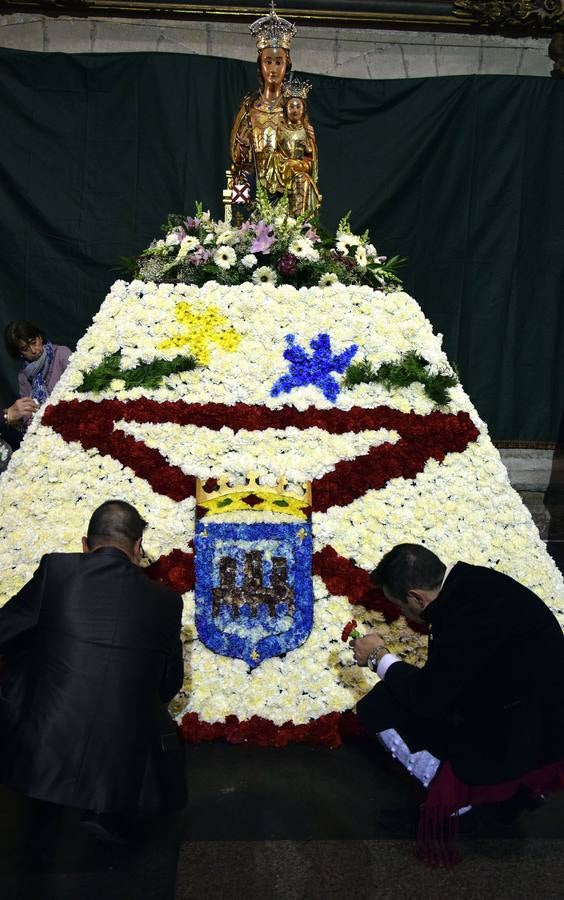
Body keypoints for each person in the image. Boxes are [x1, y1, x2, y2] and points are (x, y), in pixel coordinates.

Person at [0, 500, 186, 862]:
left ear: (85, 545)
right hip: (124, 748)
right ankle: (105, 807)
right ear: (137, 549)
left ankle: (43, 782)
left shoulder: (57, 570)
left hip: (48, 730)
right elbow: (169, 684)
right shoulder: (166, 600)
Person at [352, 543, 564, 859]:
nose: (404, 615)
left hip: (515, 736)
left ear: (415, 597)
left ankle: (464, 807)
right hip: (539, 719)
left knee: (379, 705)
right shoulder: (473, 584)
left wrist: (378, 658)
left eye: (400, 606)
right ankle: (511, 795)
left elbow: (428, 700)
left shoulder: (462, 617)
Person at [229, 5, 320, 216]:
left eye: (278, 62)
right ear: (260, 65)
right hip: (253, 181)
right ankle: (240, 233)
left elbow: (309, 158)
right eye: (267, 61)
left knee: (302, 186)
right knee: (240, 184)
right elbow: (237, 158)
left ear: (286, 65)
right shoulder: (249, 107)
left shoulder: (293, 109)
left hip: (288, 186)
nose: (273, 69)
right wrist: (244, 146)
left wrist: (292, 165)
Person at [3, 319, 71, 433]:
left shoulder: (61, 354)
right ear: (19, 352)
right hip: (45, 433)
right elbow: (28, 418)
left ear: (40, 337)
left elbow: (80, 391)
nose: (33, 350)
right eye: (25, 349)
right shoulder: (23, 376)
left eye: (34, 342)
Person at [276, 85, 321, 218]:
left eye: (298, 106)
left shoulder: (307, 129)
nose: (294, 110)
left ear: (303, 109)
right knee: (290, 166)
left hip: (302, 165)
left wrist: (308, 147)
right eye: (291, 106)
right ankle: (285, 195)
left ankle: (301, 218)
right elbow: (275, 149)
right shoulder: (280, 129)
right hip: (283, 165)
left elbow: (312, 153)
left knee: (303, 178)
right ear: (286, 109)